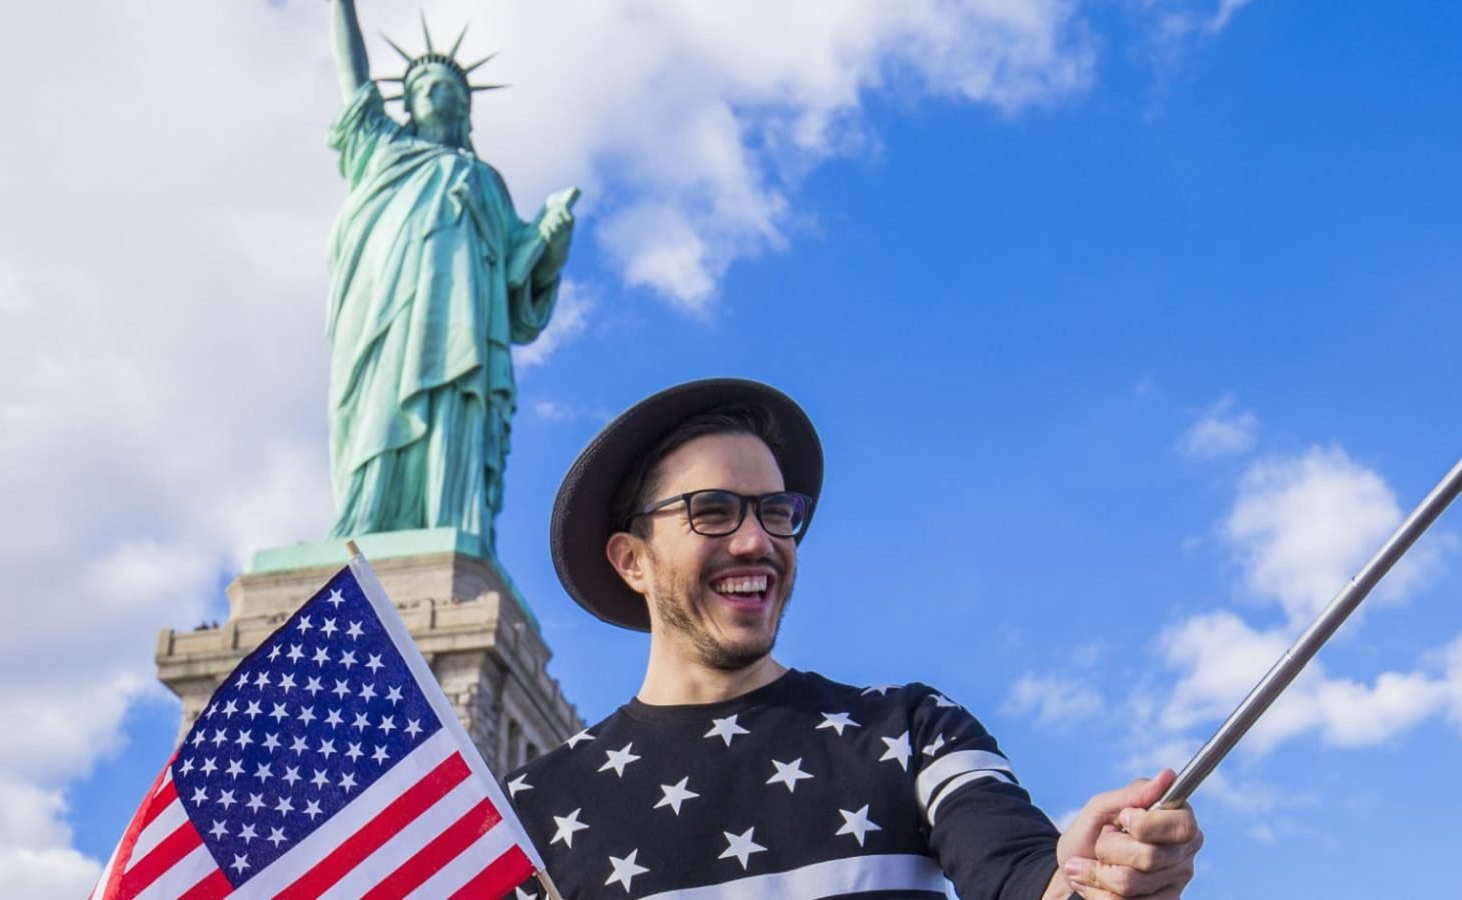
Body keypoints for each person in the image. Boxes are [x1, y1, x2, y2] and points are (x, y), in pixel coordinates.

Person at [507, 378, 1202, 899]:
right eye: (712, 511)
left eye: (777, 512)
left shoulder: (916, 730)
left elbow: (1027, 877)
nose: (757, 540)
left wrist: (1093, 876)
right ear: (632, 559)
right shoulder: (530, 811)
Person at [321, 0, 580, 552]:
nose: (445, 95)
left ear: (467, 110)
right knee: (379, 411)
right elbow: (352, 72)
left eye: (454, 91)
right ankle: (367, 520)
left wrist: (550, 242)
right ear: (409, 103)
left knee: (456, 409)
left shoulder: (485, 181)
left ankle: (450, 520)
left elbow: (520, 289)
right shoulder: (381, 148)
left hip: (464, 329)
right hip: (385, 315)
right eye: (430, 86)